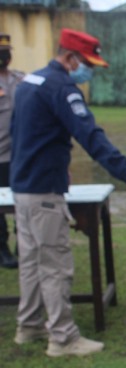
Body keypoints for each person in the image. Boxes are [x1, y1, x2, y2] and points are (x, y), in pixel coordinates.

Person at [10, 28, 126, 357]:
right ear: (71, 58)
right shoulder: (63, 89)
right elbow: (91, 137)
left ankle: (28, 325)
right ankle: (62, 338)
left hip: (24, 187)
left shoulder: (30, 82)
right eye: (86, 64)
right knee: (55, 264)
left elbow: (23, 135)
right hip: (44, 192)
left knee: (31, 261)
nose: (88, 72)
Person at [0, 32, 23, 269]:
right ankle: (2, 249)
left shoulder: (20, 79)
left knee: (22, 201)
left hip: (20, 154)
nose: (4, 56)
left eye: (6, 52)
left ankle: (23, 244)